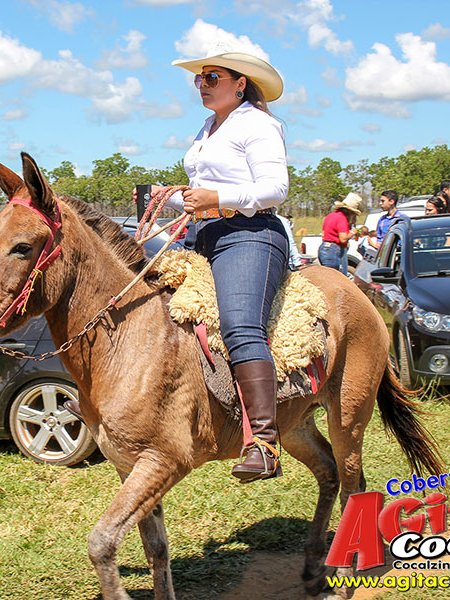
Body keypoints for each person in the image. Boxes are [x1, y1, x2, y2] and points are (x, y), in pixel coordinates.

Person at [133, 43, 289, 483]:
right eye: (198, 78)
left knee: (240, 325)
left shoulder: (259, 124)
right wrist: (170, 194)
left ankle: (263, 442)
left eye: (212, 77)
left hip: (250, 233)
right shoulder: (207, 128)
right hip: (202, 233)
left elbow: (275, 188)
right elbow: (203, 189)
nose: (202, 85)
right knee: (149, 304)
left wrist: (219, 198)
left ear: (241, 84)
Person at [318, 193, 362, 274]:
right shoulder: (342, 218)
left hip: (325, 248)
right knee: (338, 277)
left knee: (328, 276)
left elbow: (324, 234)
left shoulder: (331, 216)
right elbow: (343, 239)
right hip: (334, 250)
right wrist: (353, 232)